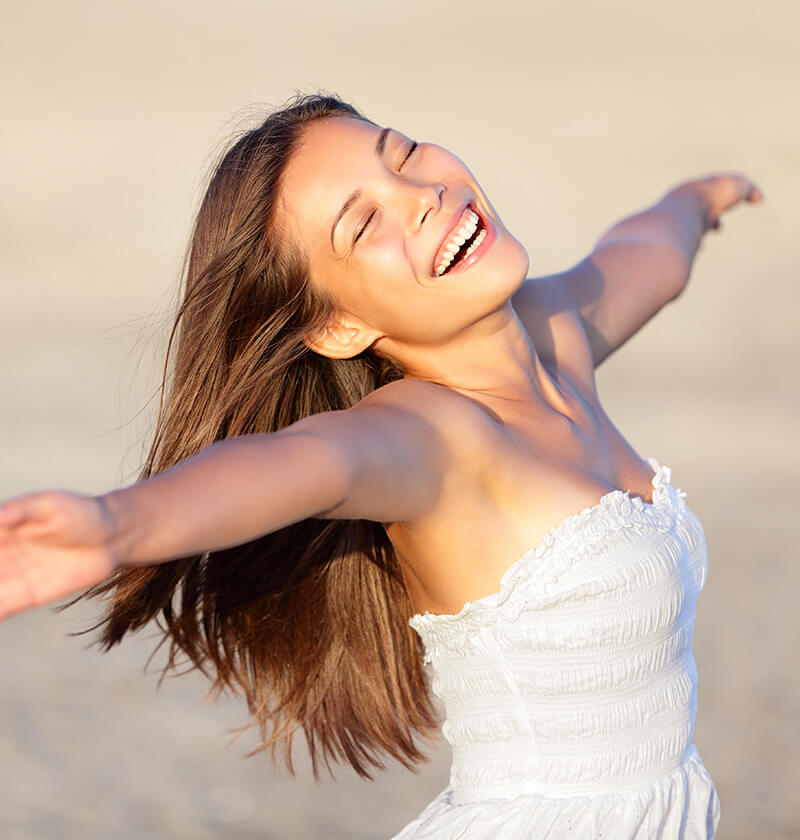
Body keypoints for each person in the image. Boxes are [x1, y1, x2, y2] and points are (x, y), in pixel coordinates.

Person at [0, 93, 762, 839]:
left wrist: (698, 198)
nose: (421, 195)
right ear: (339, 326)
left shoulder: (555, 336)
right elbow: (296, 463)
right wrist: (117, 525)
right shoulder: (429, 436)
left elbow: (646, 258)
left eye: (401, 154)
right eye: (364, 222)